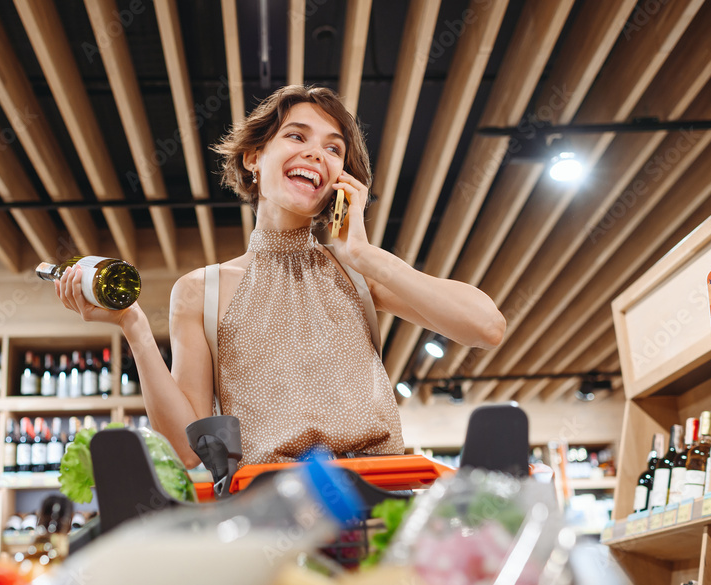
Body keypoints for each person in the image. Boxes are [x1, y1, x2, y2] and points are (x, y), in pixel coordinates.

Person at [55, 85, 505, 469]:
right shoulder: (200, 291)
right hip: (268, 514)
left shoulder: (357, 269)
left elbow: (487, 327)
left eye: (333, 148)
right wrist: (133, 327)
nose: (316, 153)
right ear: (254, 157)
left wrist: (366, 254)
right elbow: (185, 450)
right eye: (296, 136)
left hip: (378, 500)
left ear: (341, 179)